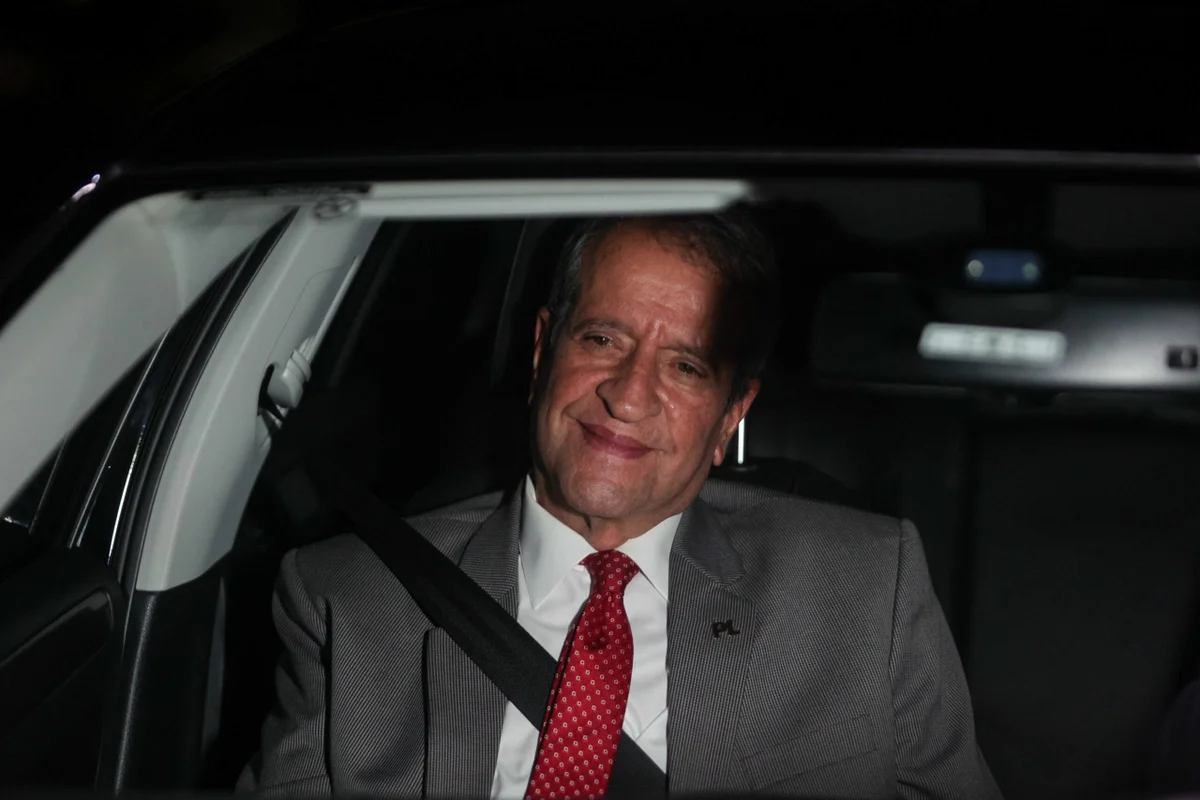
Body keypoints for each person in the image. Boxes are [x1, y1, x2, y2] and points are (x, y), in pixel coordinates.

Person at [239, 211, 1002, 798]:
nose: (629, 396)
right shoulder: (349, 599)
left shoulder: (864, 587)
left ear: (731, 415)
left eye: (686, 366)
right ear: (543, 350)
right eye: (603, 339)